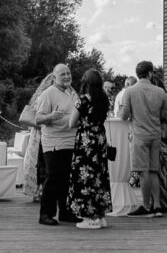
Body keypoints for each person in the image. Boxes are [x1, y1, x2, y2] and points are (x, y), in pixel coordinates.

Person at [119, 61, 167, 218]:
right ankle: (157, 205)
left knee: (143, 172)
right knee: (154, 170)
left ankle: (146, 205)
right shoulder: (160, 92)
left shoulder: (129, 91)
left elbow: (123, 116)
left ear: (138, 74)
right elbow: (165, 115)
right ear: (150, 73)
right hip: (156, 135)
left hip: (139, 135)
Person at [66, 69, 112, 229]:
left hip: (86, 142)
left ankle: (89, 218)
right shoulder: (104, 99)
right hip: (100, 139)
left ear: (86, 83)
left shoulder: (83, 100)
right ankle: (100, 215)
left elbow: (71, 123)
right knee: (99, 176)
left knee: (85, 177)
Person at [35, 63, 80, 226]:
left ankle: (66, 212)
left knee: (67, 179)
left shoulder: (72, 91)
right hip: (54, 142)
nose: (67, 76)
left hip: (71, 140)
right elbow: (38, 119)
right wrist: (52, 116)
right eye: (63, 74)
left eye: (68, 73)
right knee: (53, 177)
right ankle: (46, 214)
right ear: (54, 77)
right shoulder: (48, 94)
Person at [21, 73, 55, 202]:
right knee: (42, 162)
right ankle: (41, 190)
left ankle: (37, 190)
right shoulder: (47, 96)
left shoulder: (38, 95)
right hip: (43, 132)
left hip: (36, 133)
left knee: (37, 162)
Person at [152, 74, 167, 212]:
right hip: (166, 136)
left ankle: (162, 202)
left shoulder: (161, 99)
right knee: (164, 171)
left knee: (159, 170)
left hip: (160, 136)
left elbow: (164, 118)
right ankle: (166, 201)